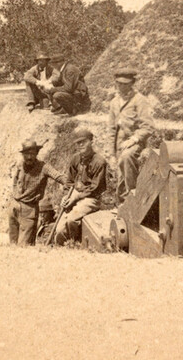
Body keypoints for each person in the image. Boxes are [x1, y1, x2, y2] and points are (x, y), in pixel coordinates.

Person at [108, 68, 155, 204]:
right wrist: (111, 154)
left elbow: (148, 127)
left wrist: (134, 139)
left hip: (135, 143)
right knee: (120, 174)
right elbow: (111, 130)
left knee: (126, 157)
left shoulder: (139, 100)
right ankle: (122, 204)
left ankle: (134, 196)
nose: (121, 86)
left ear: (132, 83)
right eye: (119, 83)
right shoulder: (114, 102)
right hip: (119, 145)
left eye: (125, 83)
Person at [54, 127, 107, 246]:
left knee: (72, 220)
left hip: (91, 198)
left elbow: (95, 188)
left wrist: (76, 197)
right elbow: (69, 181)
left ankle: (75, 244)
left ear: (91, 142)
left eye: (84, 142)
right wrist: (66, 196)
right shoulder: (75, 159)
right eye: (78, 143)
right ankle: (64, 248)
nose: (80, 145)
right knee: (59, 231)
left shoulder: (99, 161)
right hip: (74, 195)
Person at [9, 139, 66, 246]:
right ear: (23, 155)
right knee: (12, 244)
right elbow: (15, 181)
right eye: (26, 154)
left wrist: (68, 184)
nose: (29, 157)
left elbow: (58, 176)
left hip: (29, 209)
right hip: (14, 207)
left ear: (37, 153)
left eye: (32, 154)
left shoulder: (44, 167)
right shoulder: (20, 165)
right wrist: (15, 194)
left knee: (24, 246)